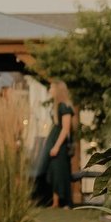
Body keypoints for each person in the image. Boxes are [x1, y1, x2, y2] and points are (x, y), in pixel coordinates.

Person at [34, 79, 77, 208]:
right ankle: (55, 201)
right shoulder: (56, 106)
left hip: (59, 143)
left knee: (60, 171)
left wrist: (57, 146)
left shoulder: (65, 106)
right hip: (52, 140)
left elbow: (65, 128)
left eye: (51, 88)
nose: (49, 90)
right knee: (52, 171)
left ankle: (66, 202)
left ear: (58, 90)